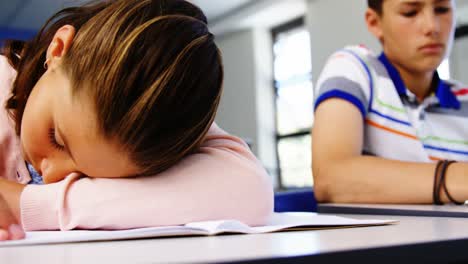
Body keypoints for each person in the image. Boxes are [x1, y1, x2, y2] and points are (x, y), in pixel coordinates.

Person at [0, 0, 273, 240]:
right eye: (56, 138)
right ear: (57, 49)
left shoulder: (149, 123)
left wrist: (24, 204)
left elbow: (250, 191)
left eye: (87, 177)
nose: (52, 175)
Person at [312, 0, 468, 204]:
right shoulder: (355, 69)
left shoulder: (464, 100)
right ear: (375, 22)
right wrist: (459, 178)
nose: (432, 27)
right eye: (410, 12)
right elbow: (331, 177)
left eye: (442, 9)